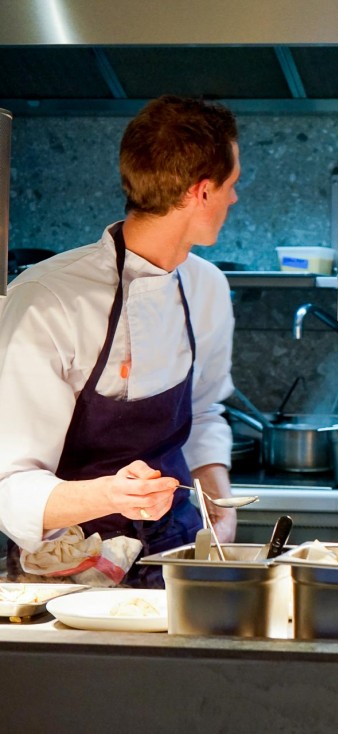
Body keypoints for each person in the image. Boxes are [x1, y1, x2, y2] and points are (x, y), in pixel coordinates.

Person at [0, 95, 242, 588]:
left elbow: (206, 410)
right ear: (200, 193)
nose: (234, 199)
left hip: (176, 554)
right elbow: (10, 485)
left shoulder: (207, 286)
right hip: (66, 566)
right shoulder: (47, 298)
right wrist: (112, 495)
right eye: (231, 186)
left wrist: (217, 503)